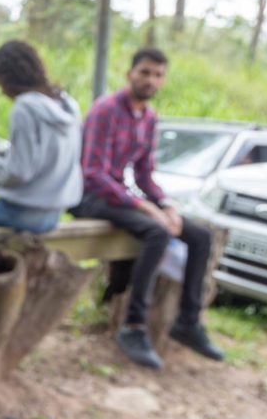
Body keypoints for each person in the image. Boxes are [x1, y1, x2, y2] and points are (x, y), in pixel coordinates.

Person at [71, 46, 224, 370]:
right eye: (145, 72)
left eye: (157, 75)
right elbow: (93, 174)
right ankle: (134, 326)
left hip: (121, 197)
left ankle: (188, 321)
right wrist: (144, 208)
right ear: (130, 74)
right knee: (155, 232)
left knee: (199, 235)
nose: (151, 80)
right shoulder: (106, 110)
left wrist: (166, 205)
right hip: (89, 198)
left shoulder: (149, 118)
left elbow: (144, 175)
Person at [0, 40, 82, 233]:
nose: (1, 90)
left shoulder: (24, 109)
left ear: (5, 78)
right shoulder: (67, 104)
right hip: (54, 213)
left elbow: (19, 172)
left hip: (20, 212)